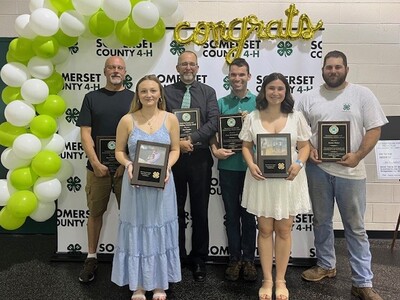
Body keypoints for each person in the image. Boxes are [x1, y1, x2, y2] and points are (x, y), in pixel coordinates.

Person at [296, 50, 388, 300]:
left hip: (352, 172)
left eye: (338, 67)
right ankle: (326, 265)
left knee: (355, 228)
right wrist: (310, 148)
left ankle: (362, 281)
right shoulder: (308, 97)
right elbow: (298, 131)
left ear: (346, 69)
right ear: (322, 69)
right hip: (318, 170)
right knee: (321, 222)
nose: (333, 71)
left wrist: (358, 155)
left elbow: (375, 128)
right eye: (329, 67)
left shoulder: (362, 94)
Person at [239, 73, 312, 300]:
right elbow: (246, 146)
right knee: (264, 230)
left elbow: (305, 147)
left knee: (284, 230)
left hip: (288, 180)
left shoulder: (295, 116)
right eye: (271, 88)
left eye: (280, 88)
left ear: (286, 91)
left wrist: (299, 164)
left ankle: (280, 279)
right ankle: (267, 279)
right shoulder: (253, 117)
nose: (276, 93)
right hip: (262, 180)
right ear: (264, 91)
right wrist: (250, 164)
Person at [111, 75, 181, 300]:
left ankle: (159, 283)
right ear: (138, 95)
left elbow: (175, 149)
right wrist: (128, 163)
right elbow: (119, 151)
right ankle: (139, 284)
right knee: (138, 228)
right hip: (135, 187)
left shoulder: (170, 119)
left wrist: (168, 167)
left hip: (163, 185)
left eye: (153, 90)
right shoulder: (127, 120)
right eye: (143, 91)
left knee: (159, 226)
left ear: (160, 93)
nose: (149, 95)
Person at [77, 56, 134, 283]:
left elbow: (137, 135)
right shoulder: (91, 98)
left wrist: (124, 162)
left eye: (120, 67)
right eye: (112, 67)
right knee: (95, 214)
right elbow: (85, 134)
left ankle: (130, 260)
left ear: (125, 72)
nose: (116, 71)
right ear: (104, 70)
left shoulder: (133, 99)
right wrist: (95, 162)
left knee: (129, 216)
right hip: (96, 169)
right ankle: (91, 258)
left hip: (126, 170)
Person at [164, 50, 219, 282]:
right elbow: (160, 120)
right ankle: (176, 256)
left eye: (192, 65)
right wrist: (178, 143)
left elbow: (214, 121)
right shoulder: (165, 92)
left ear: (197, 68)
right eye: (183, 64)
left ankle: (199, 259)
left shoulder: (208, 92)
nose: (188, 68)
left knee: (199, 210)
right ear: (177, 68)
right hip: (172, 159)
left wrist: (191, 139)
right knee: (173, 211)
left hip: (199, 158)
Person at [209, 58, 257, 282]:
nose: (237, 79)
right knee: (231, 215)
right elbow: (211, 130)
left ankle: (249, 260)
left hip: (251, 168)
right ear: (228, 77)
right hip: (227, 167)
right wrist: (214, 149)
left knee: (249, 216)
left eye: (241, 74)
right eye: (233, 75)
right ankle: (234, 258)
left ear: (248, 76)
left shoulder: (259, 103)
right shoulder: (220, 103)